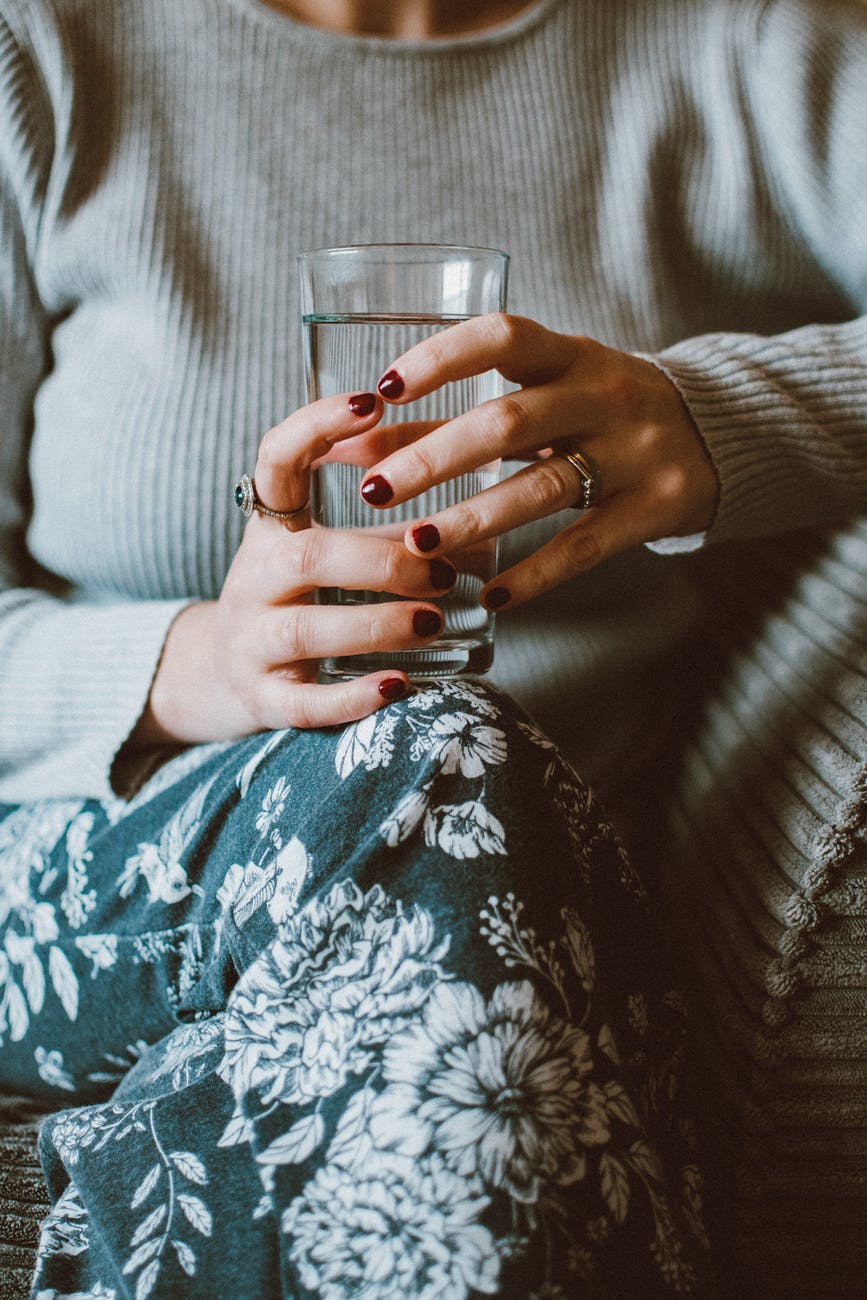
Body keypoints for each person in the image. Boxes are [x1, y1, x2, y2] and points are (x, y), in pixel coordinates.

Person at [0, 0, 864, 1295]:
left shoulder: (745, 42)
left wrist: (716, 417)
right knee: (438, 763)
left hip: (523, 890)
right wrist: (198, 667)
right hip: (96, 850)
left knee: (447, 788)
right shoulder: (48, 56)